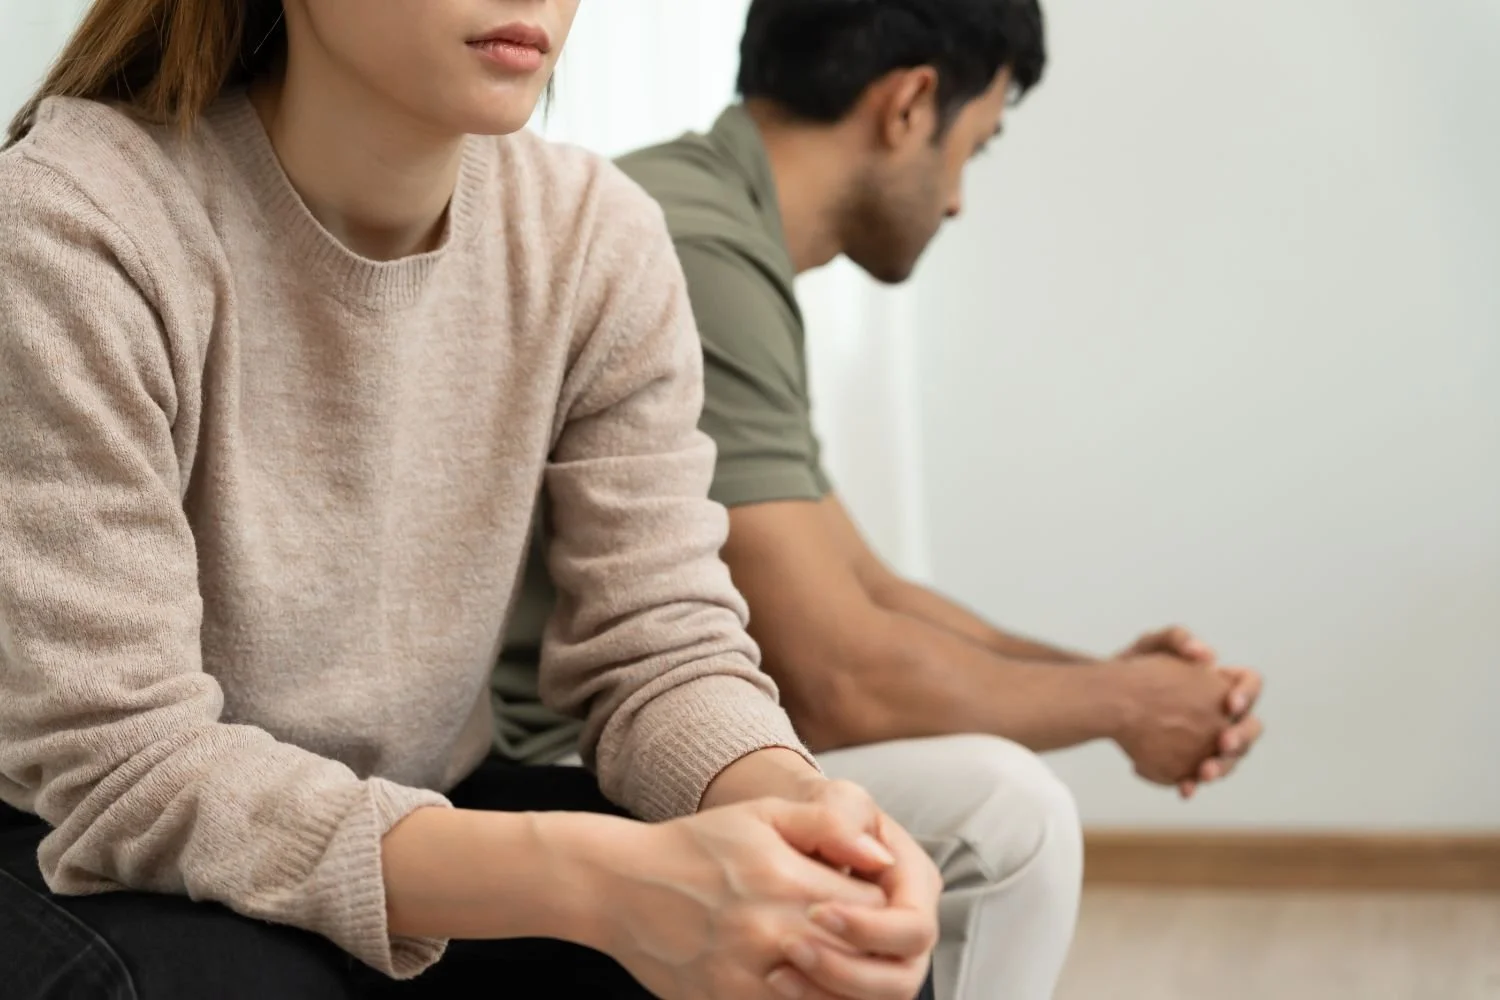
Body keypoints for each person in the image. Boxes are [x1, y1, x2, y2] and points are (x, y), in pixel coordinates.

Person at [0, 2, 945, 998]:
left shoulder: (594, 236)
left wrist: (800, 817)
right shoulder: (73, 222)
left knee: (819, 947)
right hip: (83, 844)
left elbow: (661, 648)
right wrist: (601, 887)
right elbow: (123, 759)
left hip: (419, 816)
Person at [493, 2, 1269, 998]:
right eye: (974, 150)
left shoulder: (715, 221)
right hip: (535, 769)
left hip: (593, 749)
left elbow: (866, 585)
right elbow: (839, 675)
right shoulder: (697, 248)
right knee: (1006, 816)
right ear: (909, 105)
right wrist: (1123, 707)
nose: (957, 203)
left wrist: (1115, 679)